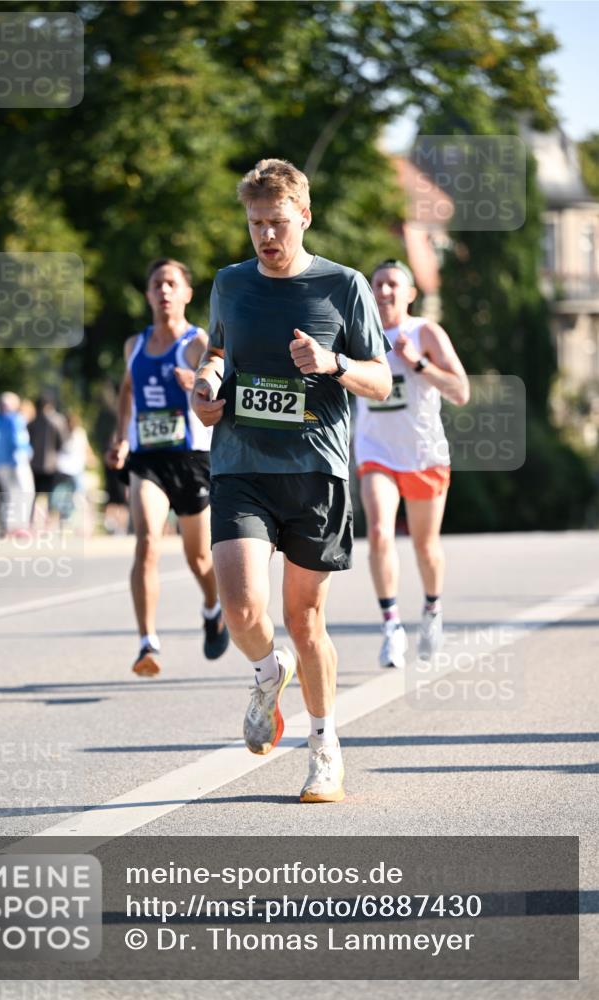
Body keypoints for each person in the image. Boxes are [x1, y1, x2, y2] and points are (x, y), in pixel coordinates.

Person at [191, 159, 391, 803]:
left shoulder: (344, 285)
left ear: (304, 215)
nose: (266, 237)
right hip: (241, 462)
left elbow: (382, 381)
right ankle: (265, 670)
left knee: (305, 620)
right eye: (255, 225)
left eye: (277, 223)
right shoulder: (229, 283)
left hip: (316, 469)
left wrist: (334, 364)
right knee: (245, 608)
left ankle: (325, 747)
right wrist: (206, 386)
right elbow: (218, 353)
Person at [106, 258, 230, 675]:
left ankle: (213, 608)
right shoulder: (134, 345)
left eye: (172, 284)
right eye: (157, 284)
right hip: (147, 461)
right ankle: (147, 643)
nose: (163, 291)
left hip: (192, 459)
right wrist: (121, 436)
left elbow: (219, 386)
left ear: (187, 293)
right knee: (146, 543)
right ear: (147, 294)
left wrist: (195, 383)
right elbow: (127, 389)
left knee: (198, 557)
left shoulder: (197, 343)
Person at [354, 259, 470, 667]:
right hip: (376, 452)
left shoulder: (424, 332)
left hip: (423, 453)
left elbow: (461, 391)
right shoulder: (358, 334)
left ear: (410, 293)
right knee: (381, 532)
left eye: (392, 285)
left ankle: (433, 610)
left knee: (425, 547)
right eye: (378, 285)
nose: (384, 292)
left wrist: (418, 362)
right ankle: (391, 626)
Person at [0, 392, 35, 535]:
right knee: (25, 492)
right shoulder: (15, 419)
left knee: (10, 494)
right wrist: (28, 452)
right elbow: (18, 441)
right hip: (15, 462)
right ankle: (20, 526)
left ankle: (8, 525)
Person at [27, 393, 68, 502]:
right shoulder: (58, 421)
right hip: (51, 464)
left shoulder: (33, 422)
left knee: (34, 494)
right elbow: (63, 442)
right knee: (47, 496)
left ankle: (33, 517)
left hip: (34, 463)